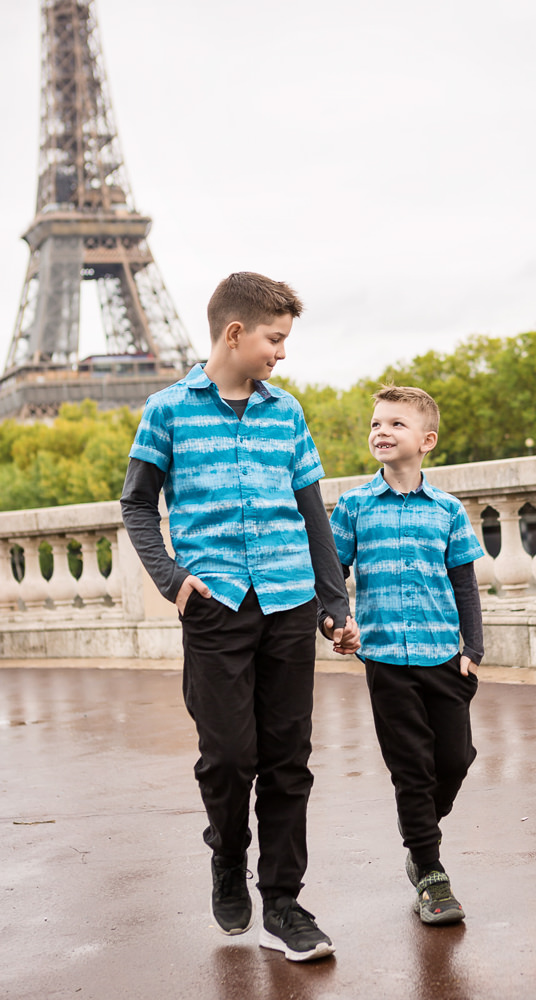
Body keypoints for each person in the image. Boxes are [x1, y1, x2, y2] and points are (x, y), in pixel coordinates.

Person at [120, 271, 359, 962]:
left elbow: (313, 512)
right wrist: (173, 579)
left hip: (290, 601)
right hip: (216, 606)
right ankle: (228, 856)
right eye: (274, 340)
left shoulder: (287, 412)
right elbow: (137, 505)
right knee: (228, 757)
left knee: (289, 761)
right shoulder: (166, 411)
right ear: (235, 332)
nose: (281, 354)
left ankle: (282, 902)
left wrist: (332, 601)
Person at [321, 385, 484, 925]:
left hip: (443, 657)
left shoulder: (448, 511)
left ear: (427, 440)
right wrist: (335, 620)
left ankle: (419, 832)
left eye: (395, 424)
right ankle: (432, 873)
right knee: (410, 768)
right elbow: (332, 575)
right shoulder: (354, 506)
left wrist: (473, 651)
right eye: (375, 424)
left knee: (455, 758)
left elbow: (464, 585)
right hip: (387, 660)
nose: (381, 432)